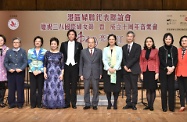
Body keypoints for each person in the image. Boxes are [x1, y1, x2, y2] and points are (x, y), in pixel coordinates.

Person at [60, 30, 83, 109]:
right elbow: (61, 56)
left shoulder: (79, 45)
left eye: (73, 34)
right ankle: (67, 102)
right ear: (67, 35)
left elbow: (81, 57)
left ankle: (73, 103)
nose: (71, 35)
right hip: (66, 66)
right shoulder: (63, 44)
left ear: (75, 36)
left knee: (74, 85)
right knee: (66, 85)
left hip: (74, 66)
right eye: (69, 34)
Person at [79, 37, 102, 110]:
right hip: (86, 73)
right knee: (86, 90)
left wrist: (101, 73)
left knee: (95, 89)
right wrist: (81, 74)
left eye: (92, 42)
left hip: (96, 73)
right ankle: (87, 104)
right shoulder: (83, 51)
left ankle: (95, 104)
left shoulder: (99, 51)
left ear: (95, 43)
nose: (90, 44)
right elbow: (81, 63)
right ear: (87, 43)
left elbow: (100, 63)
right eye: (89, 42)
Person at [4, 37, 27, 109]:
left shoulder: (23, 51)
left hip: (20, 72)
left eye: (17, 42)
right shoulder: (9, 51)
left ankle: (20, 103)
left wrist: (21, 68)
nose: (16, 44)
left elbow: (25, 62)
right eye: (14, 42)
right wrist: (9, 69)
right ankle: (11, 103)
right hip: (11, 72)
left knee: (20, 88)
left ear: (20, 44)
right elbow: (5, 62)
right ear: (12, 43)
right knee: (11, 88)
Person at [42, 37, 65, 109]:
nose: (53, 45)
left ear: (57, 45)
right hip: (49, 74)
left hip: (57, 74)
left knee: (57, 89)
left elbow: (62, 66)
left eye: (55, 44)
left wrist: (62, 74)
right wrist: (44, 73)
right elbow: (44, 64)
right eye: (52, 44)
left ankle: (57, 104)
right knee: (49, 89)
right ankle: (49, 104)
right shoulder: (47, 53)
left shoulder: (60, 54)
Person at [158, 33, 178, 112]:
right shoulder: (161, 49)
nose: (168, 40)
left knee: (171, 89)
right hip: (163, 71)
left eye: (169, 39)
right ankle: (164, 107)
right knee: (163, 89)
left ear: (172, 40)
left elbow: (176, 59)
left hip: (172, 71)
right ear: (164, 40)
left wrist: (172, 68)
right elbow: (161, 60)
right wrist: (167, 68)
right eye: (166, 39)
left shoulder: (175, 49)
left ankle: (171, 107)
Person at [122, 31, 141, 110]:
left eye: (131, 36)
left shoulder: (137, 46)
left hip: (134, 70)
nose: (129, 38)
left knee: (134, 88)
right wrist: (125, 67)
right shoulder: (123, 47)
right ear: (126, 37)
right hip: (126, 71)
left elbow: (136, 58)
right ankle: (128, 103)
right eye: (128, 36)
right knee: (127, 88)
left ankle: (134, 103)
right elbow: (123, 58)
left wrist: (128, 66)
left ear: (133, 38)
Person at [102, 34, 122, 110]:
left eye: (113, 39)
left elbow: (120, 59)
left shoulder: (119, 49)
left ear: (115, 40)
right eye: (110, 39)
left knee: (116, 88)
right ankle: (109, 103)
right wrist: (108, 68)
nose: (111, 40)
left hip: (116, 71)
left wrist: (115, 68)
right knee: (108, 88)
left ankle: (115, 103)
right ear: (108, 40)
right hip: (107, 71)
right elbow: (104, 59)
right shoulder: (105, 49)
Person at [140, 37, 159, 111]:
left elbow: (157, 62)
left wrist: (157, 72)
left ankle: (151, 105)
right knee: (147, 89)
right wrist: (141, 73)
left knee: (152, 89)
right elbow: (141, 62)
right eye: (147, 41)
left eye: (150, 41)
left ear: (152, 42)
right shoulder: (142, 51)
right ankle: (148, 104)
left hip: (153, 71)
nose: (148, 43)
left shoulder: (156, 51)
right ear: (145, 43)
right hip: (145, 71)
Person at [28, 36, 47, 108]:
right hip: (32, 72)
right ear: (34, 42)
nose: (37, 42)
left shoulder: (45, 51)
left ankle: (39, 103)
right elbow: (29, 61)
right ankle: (33, 104)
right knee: (32, 88)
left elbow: (45, 62)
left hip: (41, 72)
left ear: (41, 43)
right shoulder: (30, 51)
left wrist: (40, 70)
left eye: (39, 41)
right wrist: (33, 70)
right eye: (36, 41)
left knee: (40, 88)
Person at [176, 35, 187, 112]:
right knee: (181, 90)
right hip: (179, 73)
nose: (184, 42)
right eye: (182, 41)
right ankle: (182, 105)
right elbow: (176, 62)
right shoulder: (178, 50)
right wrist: (175, 74)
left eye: (186, 41)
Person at [0, 34, 9, 108]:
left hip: (3, 70)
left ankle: (1, 101)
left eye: (2, 40)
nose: (0, 41)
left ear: (4, 41)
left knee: (3, 87)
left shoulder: (7, 49)